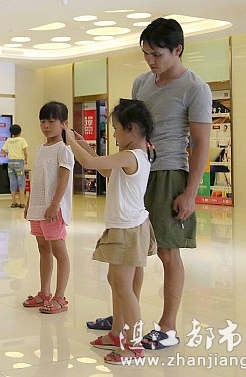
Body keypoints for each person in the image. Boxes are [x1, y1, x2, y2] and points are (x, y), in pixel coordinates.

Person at [86, 18, 212, 350]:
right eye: (146, 53)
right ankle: (124, 319)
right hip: (136, 171)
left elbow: (201, 144)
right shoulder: (141, 83)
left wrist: (190, 192)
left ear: (177, 50)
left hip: (169, 172)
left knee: (167, 251)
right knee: (132, 250)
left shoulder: (195, 88)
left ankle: (167, 327)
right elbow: (131, 130)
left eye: (156, 54)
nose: (150, 61)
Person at [63, 99, 157, 364]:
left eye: (115, 129)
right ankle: (117, 333)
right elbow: (105, 169)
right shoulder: (136, 155)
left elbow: (90, 163)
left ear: (132, 129)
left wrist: (69, 139)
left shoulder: (131, 155)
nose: (113, 135)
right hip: (129, 226)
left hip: (127, 229)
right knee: (118, 282)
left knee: (123, 286)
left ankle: (134, 344)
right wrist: (82, 143)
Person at [22, 101, 74, 314]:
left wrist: (54, 204)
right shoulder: (40, 149)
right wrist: (29, 202)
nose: (46, 126)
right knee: (43, 249)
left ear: (63, 123)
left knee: (59, 252)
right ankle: (45, 293)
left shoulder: (64, 150)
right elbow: (38, 178)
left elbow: (63, 179)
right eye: (43, 121)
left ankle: (60, 297)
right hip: (38, 207)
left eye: (51, 121)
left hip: (54, 210)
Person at [2, 123, 28, 208]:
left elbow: (2, 151)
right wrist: (26, 159)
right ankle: (22, 202)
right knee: (21, 181)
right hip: (19, 163)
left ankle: (13, 202)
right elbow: (25, 152)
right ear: (20, 131)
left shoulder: (8, 140)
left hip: (10, 163)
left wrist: (8, 154)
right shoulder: (22, 140)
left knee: (12, 182)